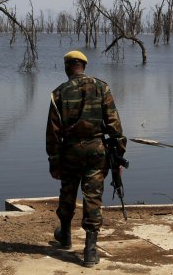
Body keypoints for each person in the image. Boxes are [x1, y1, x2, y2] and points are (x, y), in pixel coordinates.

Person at [46, 50, 126, 268]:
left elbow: (53, 132)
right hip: (97, 151)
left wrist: (54, 161)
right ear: (83, 66)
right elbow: (114, 126)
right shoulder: (102, 87)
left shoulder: (58, 93)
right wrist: (118, 156)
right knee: (93, 197)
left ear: (67, 67)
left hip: (70, 151)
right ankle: (90, 251)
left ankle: (65, 237)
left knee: (68, 191)